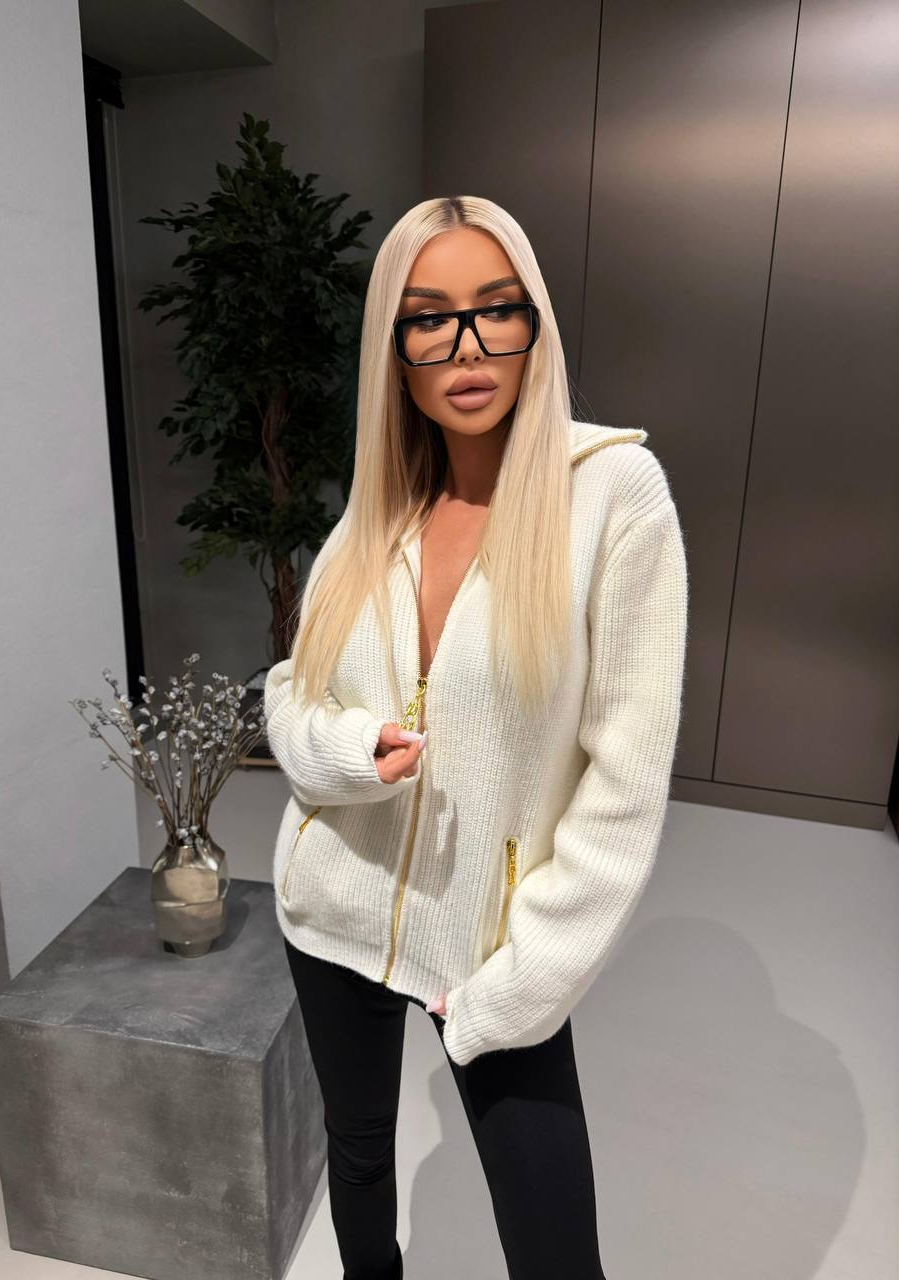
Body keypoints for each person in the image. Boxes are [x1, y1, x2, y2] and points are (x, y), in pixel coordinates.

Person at [264, 195, 689, 1280]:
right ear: (394, 350)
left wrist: (521, 982)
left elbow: (623, 787)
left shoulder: (615, 497)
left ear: (534, 324)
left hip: (495, 949)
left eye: (497, 309)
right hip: (334, 910)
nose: (466, 344)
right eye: (428, 317)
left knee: (556, 1250)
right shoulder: (375, 515)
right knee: (359, 1161)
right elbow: (288, 698)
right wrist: (351, 752)